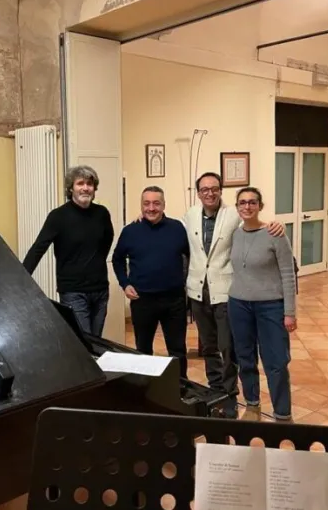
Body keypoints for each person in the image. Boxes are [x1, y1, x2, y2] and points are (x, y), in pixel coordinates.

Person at [184, 172, 284, 419]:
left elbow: (253, 224)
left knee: (227, 348)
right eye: (204, 189)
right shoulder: (190, 215)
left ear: (221, 190)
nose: (209, 193)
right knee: (208, 347)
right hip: (198, 292)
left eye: (214, 188)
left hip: (225, 292)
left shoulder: (233, 215)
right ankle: (215, 392)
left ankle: (230, 396)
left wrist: (274, 225)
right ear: (198, 193)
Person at [226, 186, 297, 423]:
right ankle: (252, 406)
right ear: (237, 207)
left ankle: (283, 415)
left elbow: (288, 274)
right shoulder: (235, 234)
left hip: (270, 306)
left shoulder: (275, 234)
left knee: (276, 362)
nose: (247, 206)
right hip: (238, 305)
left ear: (260, 206)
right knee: (245, 358)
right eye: (242, 202)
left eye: (252, 202)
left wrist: (289, 312)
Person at [22, 165, 114, 337]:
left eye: (89, 184)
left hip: (100, 290)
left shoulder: (102, 214)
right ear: (71, 188)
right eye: (80, 183)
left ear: (94, 188)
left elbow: (107, 242)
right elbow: (39, 247)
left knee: (97, 340)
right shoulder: (58, 216)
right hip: (73, 291)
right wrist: (21, 276)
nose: (85, 188)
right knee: (84, 340)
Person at [112, 186, 190, 378]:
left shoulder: (177, 228)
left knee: (178, 350)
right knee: (143, 349)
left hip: (174, 300)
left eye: (156, 203)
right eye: (146, 203)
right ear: (141, 205)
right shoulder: (130, 231)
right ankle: (147, 388)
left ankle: (181, 387)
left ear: (164, 205)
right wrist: (125, 283)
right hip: (142, 300)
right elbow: (117, 259)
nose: (151, 208)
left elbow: (191, 256)